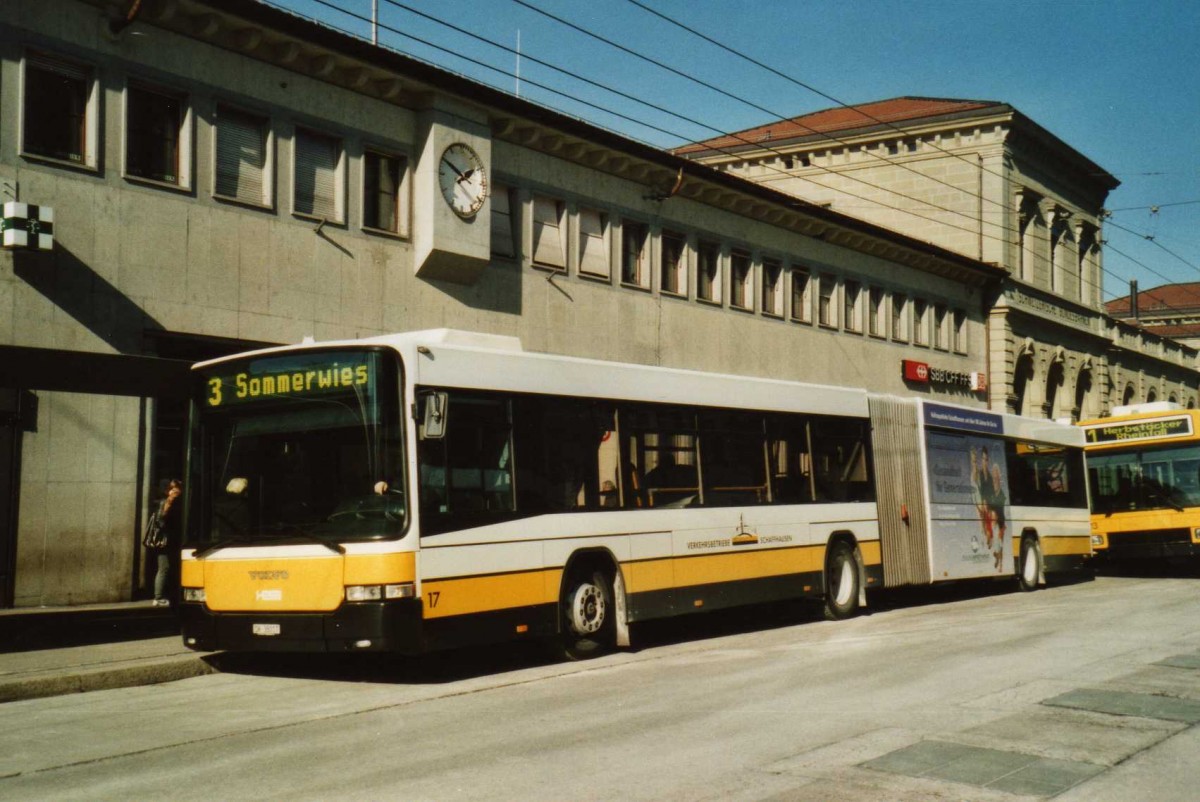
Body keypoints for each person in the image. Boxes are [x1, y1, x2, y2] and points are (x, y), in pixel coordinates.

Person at [150, 479, 183, 607]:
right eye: (174, 488)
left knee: (165, 567)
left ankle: (161, 596)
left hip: (166, 540)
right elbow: (162, 518)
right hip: (167, 541)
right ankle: (158, 597)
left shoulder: (165, 502)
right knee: (164, 567)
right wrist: (170, 500)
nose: (177, 491)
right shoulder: (167, 502)